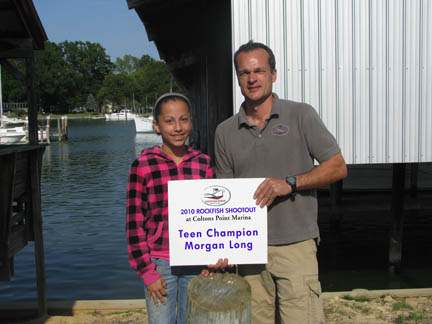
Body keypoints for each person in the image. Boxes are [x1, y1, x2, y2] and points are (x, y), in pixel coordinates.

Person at [214, 41, 348, 324]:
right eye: (244, 73)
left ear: (273, 74)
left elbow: (337, 167)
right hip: (248, 251)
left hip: (296, 245)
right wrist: (220, 249)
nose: (252, 79)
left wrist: (290, 182)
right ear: (237, 78)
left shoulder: (301, 115)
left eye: (259, 71)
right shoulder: (224, 132)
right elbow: (223, 198)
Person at [126, 92, 214, 324]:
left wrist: (211, 257)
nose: (177, 127)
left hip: (196, 262)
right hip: (159, 263)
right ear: (156, 126)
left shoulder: (203, 164)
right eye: (169, 121)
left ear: (191, 122)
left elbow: (213, 218)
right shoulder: (143, 166)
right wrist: (147, 271)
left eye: (184, 119)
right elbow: (134, 224)